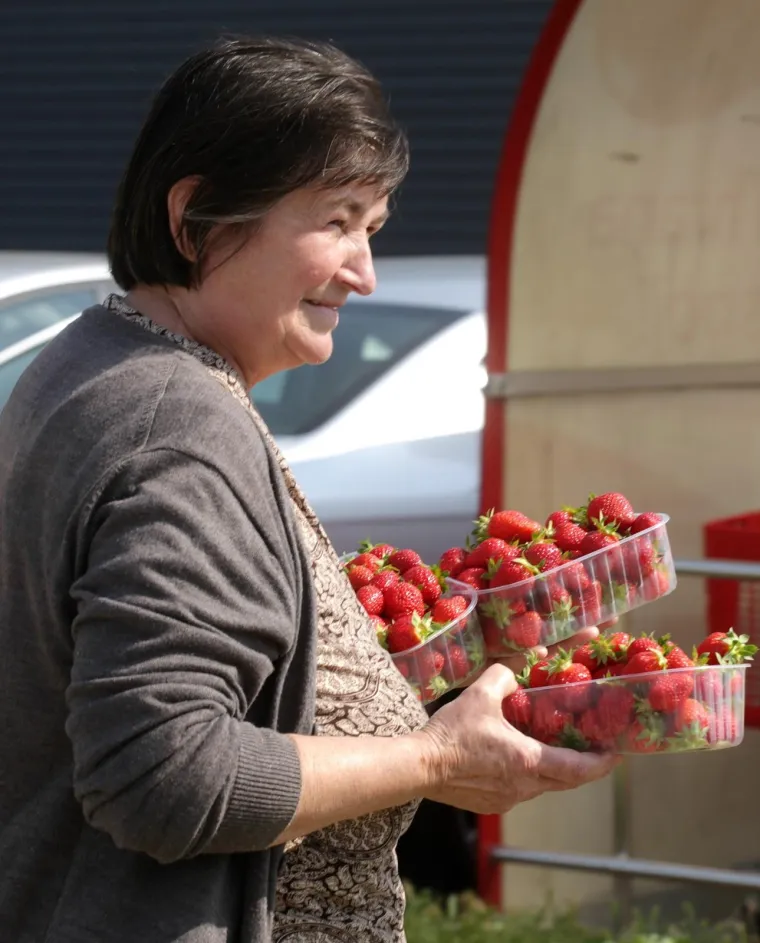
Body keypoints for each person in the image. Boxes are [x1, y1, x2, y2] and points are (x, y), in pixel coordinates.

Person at [0, 36, 616, 943]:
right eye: (336, 220)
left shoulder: (89, 358)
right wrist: (433, 758)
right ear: (196, 214)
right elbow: (160, 776)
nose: (363, 272)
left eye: (374, 228)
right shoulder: (178, 424)